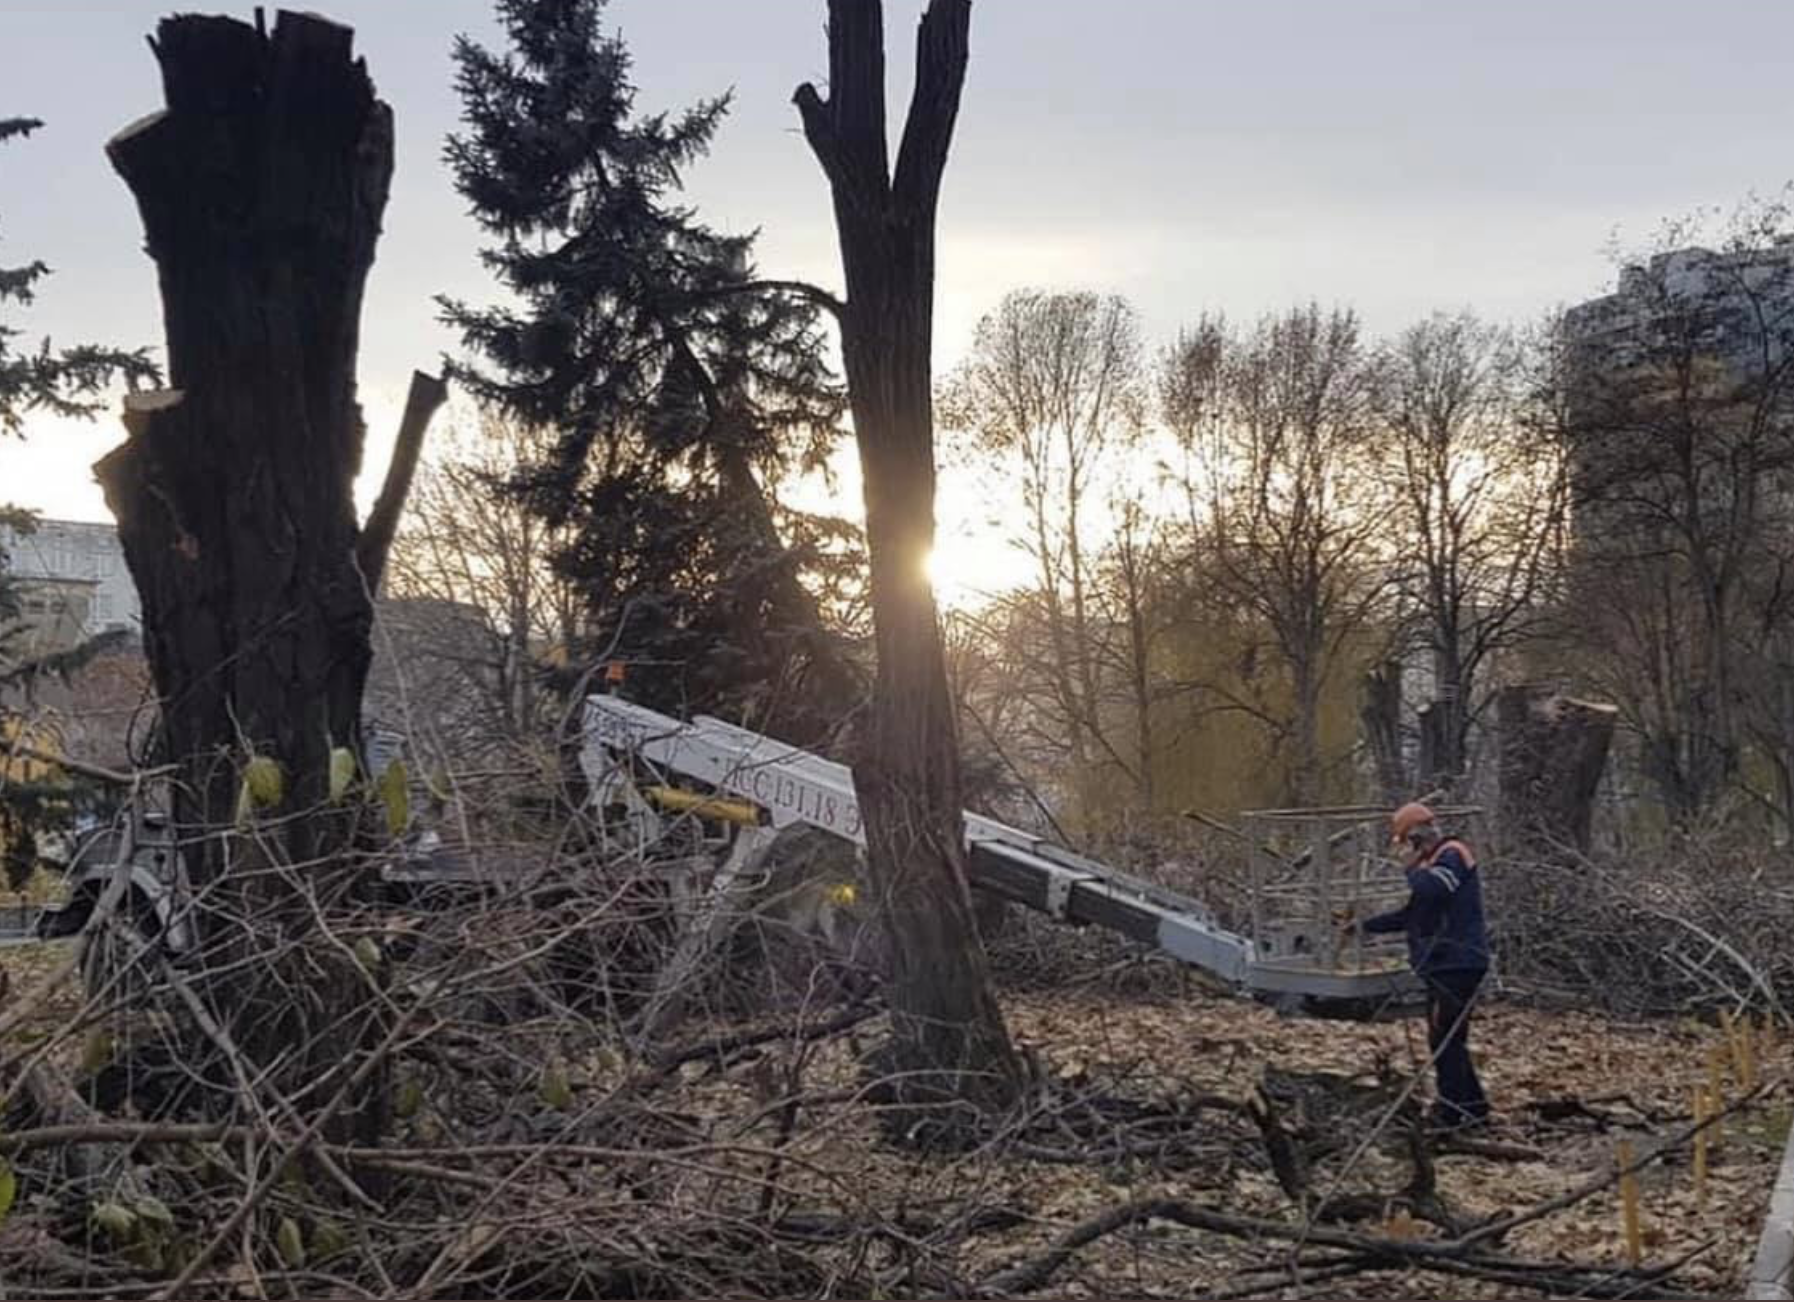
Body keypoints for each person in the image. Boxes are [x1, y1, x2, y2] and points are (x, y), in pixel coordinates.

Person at [1352, 802, 1491, 1130]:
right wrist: (1365, 926)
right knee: (1447, 1038)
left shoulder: (1452, 854)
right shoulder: (1432, 864)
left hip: (1456, 961)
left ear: (1417, 838)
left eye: (1408, 844)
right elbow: (1411, 915)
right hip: (1444, 964)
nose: (1407, 852)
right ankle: (1472, 1108)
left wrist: (1410, 869)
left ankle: (1454, 1113)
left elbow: (1434, 889)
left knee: (1444, 1038)